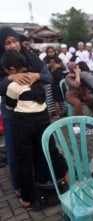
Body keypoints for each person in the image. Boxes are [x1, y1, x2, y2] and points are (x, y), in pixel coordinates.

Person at [1, 49, 68, 209]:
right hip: (43, 120)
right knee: (53, 154)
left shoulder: (13, 85)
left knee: (24, 161)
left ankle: (27, 198)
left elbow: (9, 106)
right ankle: (72, 181)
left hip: (23, 124)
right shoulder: (36, 78)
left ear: (11, 70)